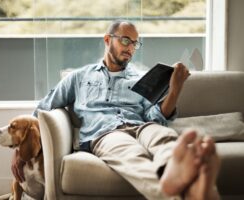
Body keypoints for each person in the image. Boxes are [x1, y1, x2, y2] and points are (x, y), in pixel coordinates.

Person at [12, 20, 220, 200]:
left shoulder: (141, 77)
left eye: (135, 43)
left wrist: (175, 90)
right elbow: (43, 108)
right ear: (107, 40)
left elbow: (155, 117)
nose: (130, 47)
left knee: (165, 139)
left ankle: (181, 175)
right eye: (125, 40)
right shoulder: (79, 77)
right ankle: (180, 195)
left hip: (143, 126)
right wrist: (20, 150)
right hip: (106, 134)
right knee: (133, 157)